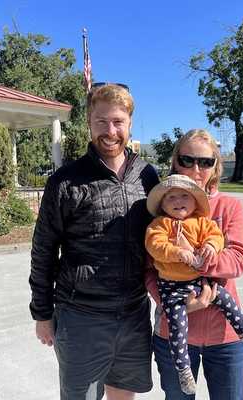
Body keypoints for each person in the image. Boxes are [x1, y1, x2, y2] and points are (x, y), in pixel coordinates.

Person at [29, 83, 159, 400]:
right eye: (101, 122)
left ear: (129, 123)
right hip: (80, 317)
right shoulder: (66, 180)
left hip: (133, 314)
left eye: (118, 122)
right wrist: (42, 314)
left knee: (123, 394)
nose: (110, 131)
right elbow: (44, 251)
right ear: (89, 122)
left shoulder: (147, 176)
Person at [146, 128, 243, 400]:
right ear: (175, 161)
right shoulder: (162, 208)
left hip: (225, 338)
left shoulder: (229, 207)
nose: (196, 168)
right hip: (172, 333)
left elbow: (237, 260)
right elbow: (149, 267)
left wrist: (193, 260)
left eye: (205, 162)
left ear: (215, 167)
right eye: (187, 160)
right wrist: (169, 301)